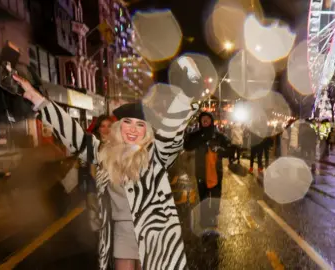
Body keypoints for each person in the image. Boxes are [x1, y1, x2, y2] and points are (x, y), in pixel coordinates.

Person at [13, 74, 199, 270]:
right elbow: (73, 134)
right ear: (119, 126)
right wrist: (36, 98)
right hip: (121, 232)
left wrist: (186, 94)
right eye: (128, 122)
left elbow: (172, 134)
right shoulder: (104, 153)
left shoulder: (157, 154)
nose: (133, 130)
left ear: (148, 131)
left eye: (140, 125)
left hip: (154, 233)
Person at [184, 112, 231, 232]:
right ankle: (204, 220)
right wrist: (201, 137)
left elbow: (229, 149)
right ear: (200, 122)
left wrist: (221, 150)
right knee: (204, 197)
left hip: (216, 172)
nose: (205, 121)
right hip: (201, 173)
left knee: (215, 197)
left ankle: (213, 218)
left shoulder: (219, 136)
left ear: (211, 120)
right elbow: (187, 146)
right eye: (202, 119)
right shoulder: (196, 135)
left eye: (207, 119)